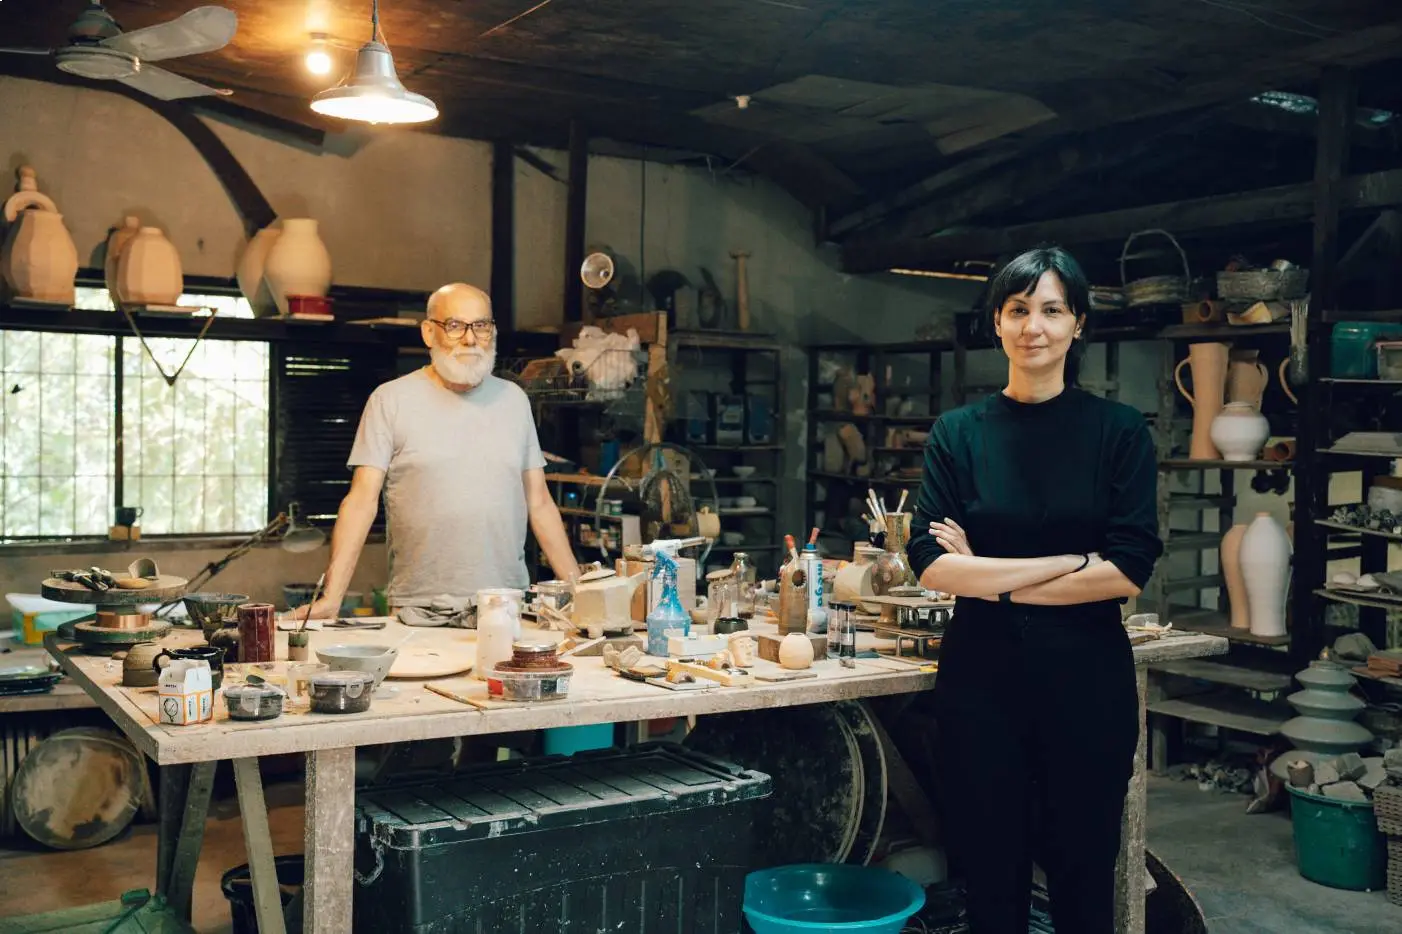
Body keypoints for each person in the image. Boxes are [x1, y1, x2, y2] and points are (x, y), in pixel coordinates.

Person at [905, 247, 1162, 934]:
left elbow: (1129, 569)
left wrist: (989, 575)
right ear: (997, 321)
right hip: (981, 685)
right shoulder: (959, 434)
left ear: (1078, 324)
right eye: (1019, 310)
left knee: (1083, 878)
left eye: (1052, 310)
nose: (1034, 326)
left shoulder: (1119, 431)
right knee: (990, 881)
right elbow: (929, 561)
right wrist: (1071, 562)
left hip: (1086, 685)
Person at [294, 282, 579, 620]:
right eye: (455, 326)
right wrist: (331, 598)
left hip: (505, 604)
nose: (470, 339)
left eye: (481, 326)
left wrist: (579, 590)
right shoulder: (390, 400)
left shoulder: (514, 400)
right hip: (419, 608)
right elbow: (360, 502)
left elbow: (540, 502)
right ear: (429, 333)